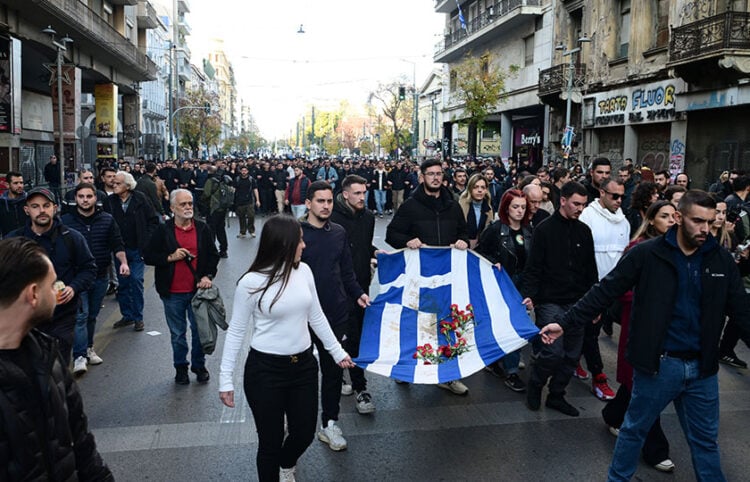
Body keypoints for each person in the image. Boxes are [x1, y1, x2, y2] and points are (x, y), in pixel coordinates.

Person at [542, 190, 750, 481]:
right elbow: (605, 290)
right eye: (697, 221)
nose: (705, 229)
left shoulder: (719, 260)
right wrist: (565, 323)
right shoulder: (647, 253)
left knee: (705, 442)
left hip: (702, 369)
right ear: (678, 218)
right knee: (634, 430)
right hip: (659, 365)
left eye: (710, 221)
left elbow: (741, 310)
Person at [219, 215, 354, 481]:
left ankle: (287, 463)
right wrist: (225, 379)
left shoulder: (304, 271)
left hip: (303, 367)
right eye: (300, 240)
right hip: (265, 372)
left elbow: (316, 316)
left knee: (304, 433)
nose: (304, 245)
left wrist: (337, 351)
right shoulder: (250, 282)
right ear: (283, 244)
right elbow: (235, 332)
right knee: (269, 443)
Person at [0, 237, 114, 481]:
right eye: (52, 285)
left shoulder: (47, 354)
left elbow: (82, 445)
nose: (59, 290)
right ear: (33, 294)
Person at [601, 200, 676, 474]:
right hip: (640, 327)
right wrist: (651, 295)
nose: (671, 220)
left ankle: (612, 414)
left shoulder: (681, 250)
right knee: (646, 385)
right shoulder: (638, 249)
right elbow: (620, 288)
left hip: (668, 330)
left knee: (637, 383)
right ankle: (655, 449)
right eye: (664, 215)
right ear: (651, 218)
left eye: (674, 215)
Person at [386, 158, 471, 395]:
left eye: (439, 173)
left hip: (446, 279)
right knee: (415, 324)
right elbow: (392, 233)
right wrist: (406, 241)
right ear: (422, 176)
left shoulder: (452, 206)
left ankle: (449, 375)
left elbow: (464, 232)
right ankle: (406, 368)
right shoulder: (411, 206)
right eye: (430, 173)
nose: (435, 177)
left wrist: (463, 240)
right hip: (418, 279)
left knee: (448, 325)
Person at [300, 181, 370, 451]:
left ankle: (329, 424)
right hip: (301, 318)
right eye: (320, 201)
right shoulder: (295, 232)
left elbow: (347, 271)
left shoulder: (339, 232)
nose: (326, 206)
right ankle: (293, 421)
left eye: (329, 201)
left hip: (335, 314)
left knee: (332, 374)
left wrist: (358, 294)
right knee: (302, 375)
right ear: (308, 204)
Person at [520, 181, 598, 416]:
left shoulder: (584, 231)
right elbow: (533, 267)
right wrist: (529, 296)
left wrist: (594, 303)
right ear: (562, 200)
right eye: (576, 203)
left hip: (578, 303)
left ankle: (557, 395)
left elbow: (590, 270)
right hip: (550, 302)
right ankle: (536, 384)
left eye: (583, 205)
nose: (580, 209)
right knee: (552, 351)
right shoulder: (544, 230)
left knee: (572, 355)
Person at [7, 187, 96, 363]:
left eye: (46, 205)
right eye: (35, 206)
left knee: (56, 367)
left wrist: (73, 287)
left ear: (54, 208)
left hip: (61, 317)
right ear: (27, 210)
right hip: (25, 319)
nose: (41, 211)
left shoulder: (72, 238)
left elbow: (89, 269)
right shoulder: (14, 241)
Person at [144, 189, 220, 384]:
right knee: (178, 334)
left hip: (197, 293)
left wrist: (207, 276)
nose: (188, 208)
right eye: (183, 204)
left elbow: (213, 255)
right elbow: (149, 255)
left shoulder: (203, 229)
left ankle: (199, 365)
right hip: (172, 293)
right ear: (172, 208)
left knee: (199, 332)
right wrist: (170, 257)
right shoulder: (163, 230)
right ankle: (181, 367)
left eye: (190, 204)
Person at [62, 182, 129, 375]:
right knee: (81, 317)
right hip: (76, 278)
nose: (85, 200)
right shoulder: (66, 221)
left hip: (100, 276)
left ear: (95, 198)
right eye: (81, 196)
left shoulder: (107, 220)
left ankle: (89, 347)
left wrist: (123, 262)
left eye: (88, 196)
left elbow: (117, 244)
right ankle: (79, 356)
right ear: (75, 199)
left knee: (91, 316)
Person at [330, 174, 379, 414]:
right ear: (345, 194)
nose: (362, 197)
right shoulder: (332, 218)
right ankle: (341, 379)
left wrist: (376, 252)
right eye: (357, 193)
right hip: (336, 288)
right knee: (340, 337)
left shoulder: (368, 217)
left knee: (358, 337)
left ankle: (360, 386)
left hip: (361, 287)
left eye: (364, 192)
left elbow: (363, 246)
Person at [476, 189, 533, 392]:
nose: (519, 211)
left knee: (515, 326)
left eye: (523, 207)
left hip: (521, 283)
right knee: (503, 325)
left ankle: (508, 368)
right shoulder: (495, 229)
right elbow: (480, 252)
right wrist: (494, 262)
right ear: (506, 208)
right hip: (501, 283)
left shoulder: (529, 230)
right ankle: (503, 366)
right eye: (515, 207)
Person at [578, 178, 629, 399]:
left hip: (615, 290)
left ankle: (573, 359)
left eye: (622, 197)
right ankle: (598, 376)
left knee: (592, 332)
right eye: (614, 196)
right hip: (592, 288)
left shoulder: (624, 221)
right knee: (591, 332)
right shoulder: (587, 217)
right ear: (601, 193)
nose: (619, 201)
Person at [106, 171, 159, 332]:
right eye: (113, 183)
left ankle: (138, 317)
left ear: (127, 186)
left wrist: (147, 240)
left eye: (118, 183)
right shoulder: (110, 201)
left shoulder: (140, 199)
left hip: (137, 249)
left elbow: (153, 220)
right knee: (123, 284)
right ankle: (127, 315)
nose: (114, 185)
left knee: (136, 281)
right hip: (119, 249)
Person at [458, 173, 493, 249]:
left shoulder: (488, 207)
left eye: (482, 187)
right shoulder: (461, 205)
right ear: (470, 189)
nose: (479, 190)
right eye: (476, 187)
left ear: (486, 190)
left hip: (481, 248)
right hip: (462, 246)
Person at [201, 166, 230, 258]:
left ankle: (211, 250)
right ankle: (224, 250)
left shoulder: (211, 181)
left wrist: (202, 201)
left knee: (211, 230)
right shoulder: (224, 180)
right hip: (222, 208)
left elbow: (206, 194)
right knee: (221, 229)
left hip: (213, 208)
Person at [234, 165, 261, 238]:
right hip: (240, 201)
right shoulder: (237, 179)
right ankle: (242, 232)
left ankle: (251, 231)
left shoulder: (251, 179)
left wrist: (258, 200)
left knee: (251, 216)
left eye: (245, 171)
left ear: (247, 171)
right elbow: (234, 189)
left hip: (249, 200)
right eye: (242, 171)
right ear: (240, 171)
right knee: (241, 217)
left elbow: (255, 189)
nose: (244, 172)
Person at [0, 170, 28, 237]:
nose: (20, 186)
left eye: (21, 183)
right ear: (7, 185)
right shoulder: (1, 203)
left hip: (27, 242)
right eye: (15, 183)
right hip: (8, 242)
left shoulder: (28, 201)